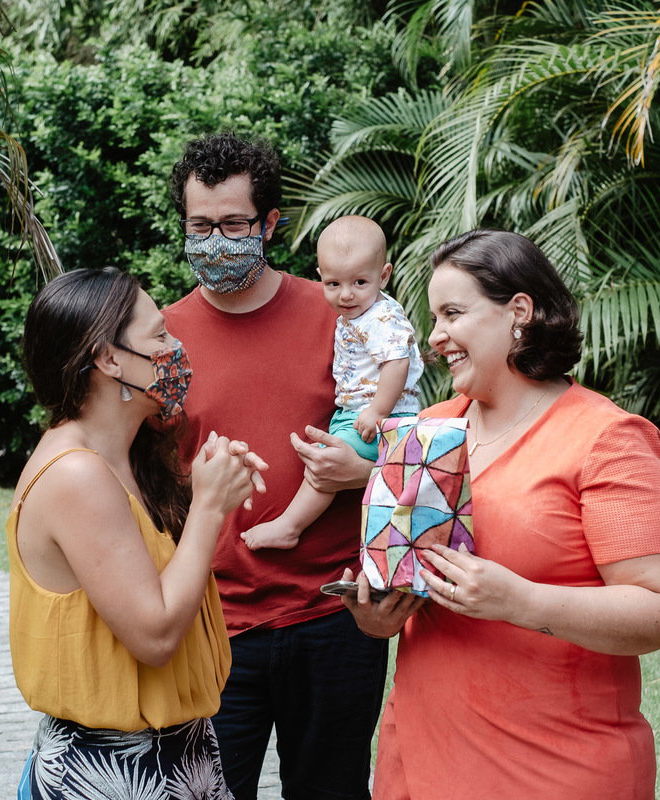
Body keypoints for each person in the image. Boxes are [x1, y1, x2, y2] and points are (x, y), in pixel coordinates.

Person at [338, 229, 660, 800]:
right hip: (422, 759)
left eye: (453, 313)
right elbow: (412, 569)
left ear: (519, 313)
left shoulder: (607, 439)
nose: (435, 337)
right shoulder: (427, 427)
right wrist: (383, 612)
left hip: (555, 770)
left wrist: (520, 601)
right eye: (433, 317)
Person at [163, 132, 389, 800]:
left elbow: (412, 454)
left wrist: (364, 471)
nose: (216, 239)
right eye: (200, 225)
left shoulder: (342, 315)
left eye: (233, 223)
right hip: (214, 623)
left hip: (333, 618)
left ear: (269, 224)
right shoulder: (162, 337)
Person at [7, 268, 268, 800]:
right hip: (112, 770)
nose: (177, 349)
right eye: (160, 337)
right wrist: (209, 509)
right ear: (108, 360)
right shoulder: (76, 474)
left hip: (179, 753)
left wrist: (200, 492)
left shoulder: (127, 457)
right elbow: (155, 636)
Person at [242, 215, 424, 551]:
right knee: (326, 461)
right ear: (321, 278)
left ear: (384, 275)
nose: (346, 295)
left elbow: (397, 363)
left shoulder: (381, 317)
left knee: (323, 467)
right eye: (333, 284)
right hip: (358, 411)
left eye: (359, 282)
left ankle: (288, 527)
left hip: (382, 417)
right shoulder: (359, 313)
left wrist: (376, 412)